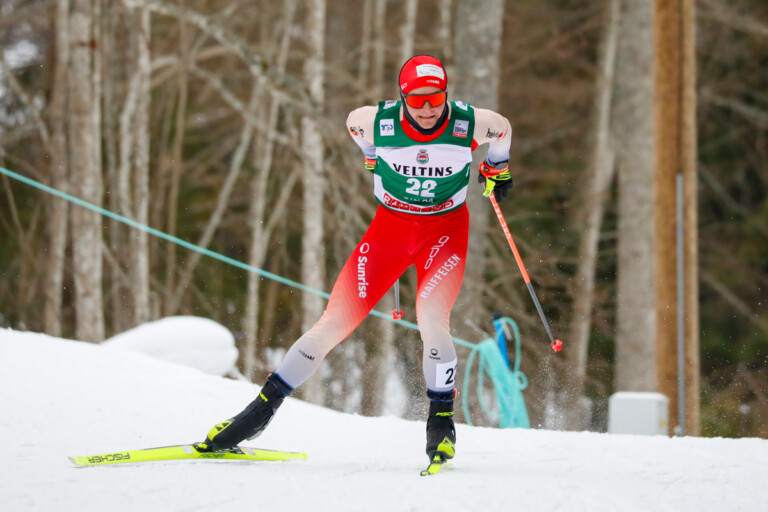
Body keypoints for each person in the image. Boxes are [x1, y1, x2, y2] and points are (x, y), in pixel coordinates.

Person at [197, 55, 513, 466]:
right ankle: (256, 415)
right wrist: (370, 154)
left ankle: (441, 426)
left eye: (435, 98)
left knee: (433, 320)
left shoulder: (469, 124)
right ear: (402, 98)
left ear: (446, 95)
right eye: (417, 100)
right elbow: (352, 123)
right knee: (333, 322)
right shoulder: (376, 123)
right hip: (390, 231)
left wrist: (497, 167)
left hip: (444, 232)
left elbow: (503, 129)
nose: (427, 108)